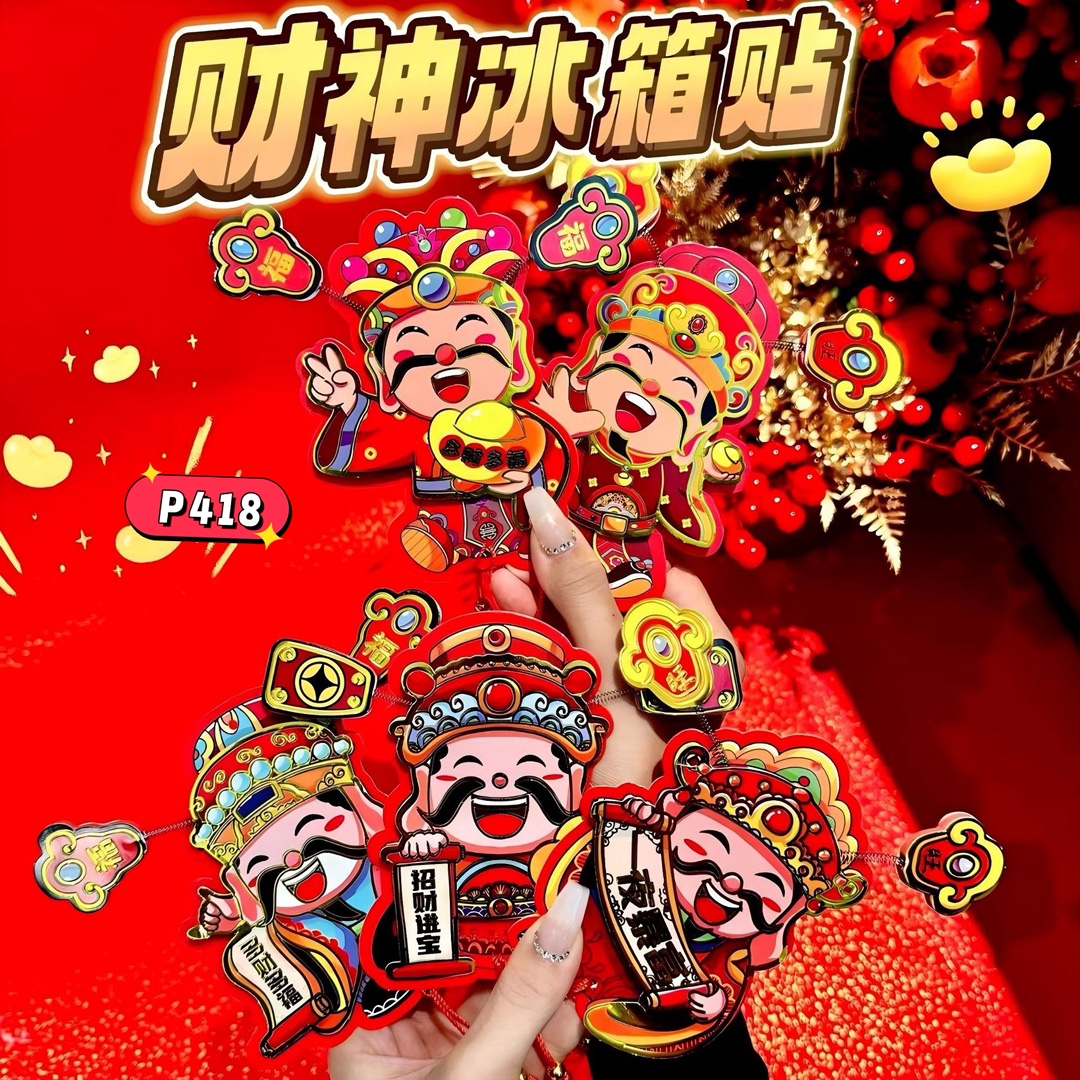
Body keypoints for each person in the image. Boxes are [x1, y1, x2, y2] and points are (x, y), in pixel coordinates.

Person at [329, 486, 768, 1079]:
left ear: (576, 777)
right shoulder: (422, 867)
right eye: (467, 771)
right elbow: (402, 950)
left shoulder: (599, 849)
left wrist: (631, 848)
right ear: (422, 786)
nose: (499, 785)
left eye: (533, 770)